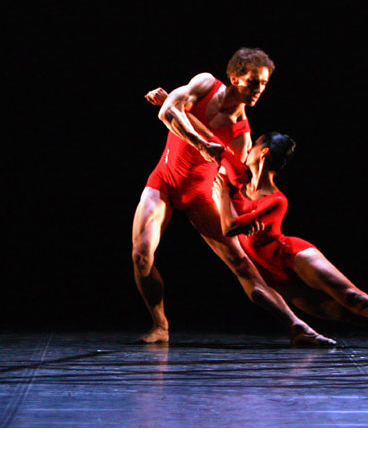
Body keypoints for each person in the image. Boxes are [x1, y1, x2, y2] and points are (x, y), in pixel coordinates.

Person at [133, 48, 334, 347]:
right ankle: (160, 325)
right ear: (235, 78)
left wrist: (249, 216)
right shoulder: (205, 84)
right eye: (253, 82)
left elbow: (236, 184)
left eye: (263, 84)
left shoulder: (242, 136)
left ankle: (298, 326)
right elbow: (167, 113)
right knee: (141, 255)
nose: (259, 89)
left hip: (201, 196)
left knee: (242, 265)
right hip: (163, 181)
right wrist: (199, 140)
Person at [208, 132, 368, 351]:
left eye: (254, 145)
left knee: (355, 299)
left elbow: (229, 228)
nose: (248, 149)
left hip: (292, 256)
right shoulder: (239, 179)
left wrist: (222, 196)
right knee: (348, 315)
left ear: (263, 152)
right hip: (275, 275)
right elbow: (212, 142)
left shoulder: (276, 200)